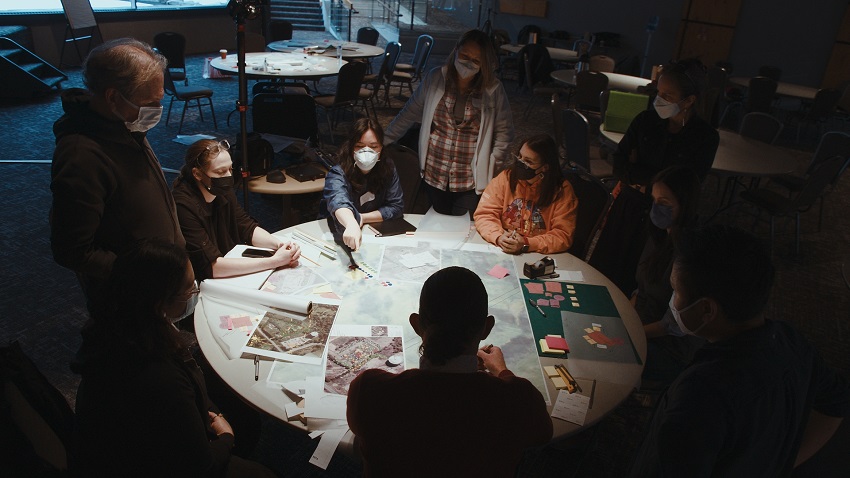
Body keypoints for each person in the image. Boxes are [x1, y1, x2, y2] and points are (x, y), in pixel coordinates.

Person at [630, 225, 850, 477]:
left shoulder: (700, 397)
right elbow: (837, 402)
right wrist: (779, 463)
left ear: (706, 310)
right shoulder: (790, 340)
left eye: (676, 291)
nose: (673, 301)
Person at [72, 239, 277, 477]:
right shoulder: (159, 376)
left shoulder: (115, 326)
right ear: (161, 303)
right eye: (189, 289)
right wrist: (226, 437)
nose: (194, 294)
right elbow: (201, 466)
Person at [347, 266, 552, 477]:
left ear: (416, 325)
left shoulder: (370, 390)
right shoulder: (519, 400)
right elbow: (543, 434)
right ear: (487, 328)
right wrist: (502, 372)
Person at [50, 38, 184, 311]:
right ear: (113, 97)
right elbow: (72, 250)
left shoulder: (125, 125)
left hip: (160, 282)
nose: (156, 111)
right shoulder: (81, 156)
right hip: (130, 296)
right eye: (149, 102)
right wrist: (140, 275)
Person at [383, 29, 514, 217]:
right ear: (456, 50)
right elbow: (408, 114)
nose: (468, 63)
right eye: (464, 55)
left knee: (462, 233)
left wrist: (492, 164)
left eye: (476, 61)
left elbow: (505, 134)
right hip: (434, 172)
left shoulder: (493, 90)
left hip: (469, 179)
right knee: (432, 230)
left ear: (484, 64)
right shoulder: (435, 78)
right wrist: (382, 141)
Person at [172, 138, 300, 282]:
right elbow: (211, 266)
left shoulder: (222, 190)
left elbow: (246, 227)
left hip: (227, 264)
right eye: (220, 172)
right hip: (204, 281)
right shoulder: (183, 206)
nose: (228, 176)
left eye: (230, 169)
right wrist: (275, 261)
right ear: (197, 174)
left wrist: (279, 245)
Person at [631, 166, 704, 385]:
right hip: (640, 326)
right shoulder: (659, 236)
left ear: (685, 205)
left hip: (667, 348)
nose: (655, 208)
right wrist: (623, 318)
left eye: (664, 203)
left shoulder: (690, 254)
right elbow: (640, 289)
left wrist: (628, 335)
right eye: (653, 200)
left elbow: (671, 326)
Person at [612, 58, 720, 188]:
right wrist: (663, 178)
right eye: (659, 92)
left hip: (668, 207)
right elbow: (618, 166)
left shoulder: (705, 136)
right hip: (633, 199)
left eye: (668, 96)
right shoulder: (645, 120)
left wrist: (638, 172)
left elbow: (688, 185)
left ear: (689, 100)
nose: (659, 99)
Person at [473, 134, 579, 254]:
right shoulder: (506, 178)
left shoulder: (562, 191)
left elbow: (562, 236)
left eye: (528, 161)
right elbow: (484, 214)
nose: (521, 163)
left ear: (545, 167)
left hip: (537, 252)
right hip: (503, 247)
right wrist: (498, 237)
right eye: (520, 157)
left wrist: (527, 243)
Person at [319, 118, 404, 251]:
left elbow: (396, 206)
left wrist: (361, 218)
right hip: (338, 233)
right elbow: (338, 201)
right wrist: (351, 223)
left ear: (381, 148)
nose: (366, 151)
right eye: (359, 146)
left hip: (373, 232)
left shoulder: (388, 168)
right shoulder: (338, 173)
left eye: (373, 146)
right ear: (351, 147)